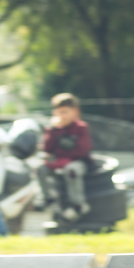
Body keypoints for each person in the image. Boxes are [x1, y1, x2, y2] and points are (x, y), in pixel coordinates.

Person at [39, 92, 92, 221]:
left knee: (71, 170)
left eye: (65, 112)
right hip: (59, 161)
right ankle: (49, 199)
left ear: (74, 112)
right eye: (59, 112)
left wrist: (65, 158)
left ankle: (78, 204)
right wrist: (53, 130)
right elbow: (47, 148)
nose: (62, 116)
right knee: (40, 168)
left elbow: (82, 150)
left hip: (78, 162)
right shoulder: (53, 129)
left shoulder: (81, 128)